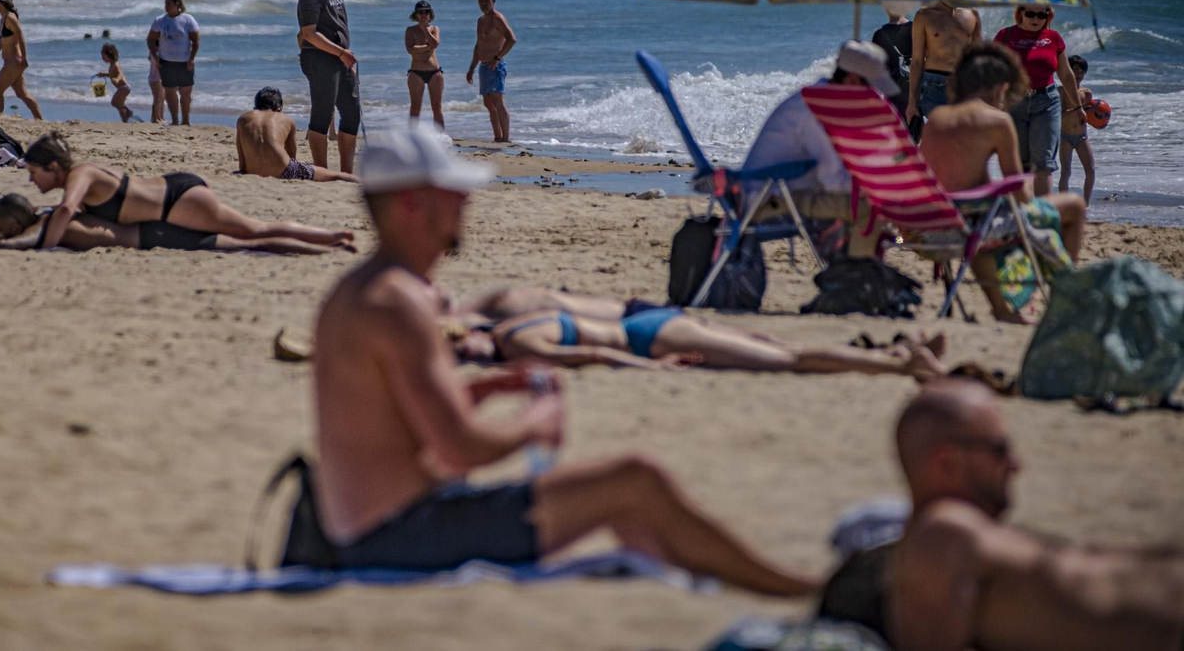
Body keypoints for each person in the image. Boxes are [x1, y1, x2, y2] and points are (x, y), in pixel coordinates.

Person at [296, 124, 817, 594]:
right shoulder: (398, 302)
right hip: (402, 537)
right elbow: (461, 448)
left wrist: (482, 391)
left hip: (373, 527)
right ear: (413, 203)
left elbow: (395, 421)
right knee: (635, 480)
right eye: (453, 193)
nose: (466, 204)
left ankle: (697, 587)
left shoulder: (368, 290)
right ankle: (790, 590)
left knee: (631, 500)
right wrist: (536, 422)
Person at [818, 380, 1184, 650]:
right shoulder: (941, 533)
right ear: (948, 463)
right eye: (1000, 450)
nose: (1015, 465)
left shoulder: (958, 534)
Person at [920, 43, 1086, 323]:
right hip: (973, 228)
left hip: (931, 228)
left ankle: (1002, 310)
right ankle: (1062, 298)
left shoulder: (936, 119)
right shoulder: (997, 121)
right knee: (1074, 206)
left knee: (981, 226)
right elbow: (1020, 194)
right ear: (999, 87)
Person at [21, 132, 355, 253]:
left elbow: (66, 210)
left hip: (177, 200)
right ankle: (330, 239)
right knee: (253, 234)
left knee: (255, 232)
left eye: (34, 173)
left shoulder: (80, 174)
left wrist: (45, 248)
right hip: (175, 192)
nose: (32, 181)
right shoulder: (81, 175)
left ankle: (331, 237)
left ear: (53, 167)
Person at [457, 301, 944, 378]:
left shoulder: (514, 347)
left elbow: (592, 353)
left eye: (464, 352)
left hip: (649, 340)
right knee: (765, 341)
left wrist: (652, 368)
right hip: (653, 319)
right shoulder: (508, 326)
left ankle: (904, 366)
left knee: (786, 360)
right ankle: (892, 352)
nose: (473, 357)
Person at [741, 41, 905, 258]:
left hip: (789, 192)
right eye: (874, 90)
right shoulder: (817, 109)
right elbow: (836, 182)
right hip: (767, 203)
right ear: (853, 81)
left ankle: (857, 266)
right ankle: (861, 276)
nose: (878, 99)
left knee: (870, 203)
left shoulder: (825, 100)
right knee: (867, 208)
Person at [993, 5, 1079, 197]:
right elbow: (992, 71)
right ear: (1021, 13)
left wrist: (1078, 106)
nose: (1036, 18)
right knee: (1020, 163)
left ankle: (1044, 216)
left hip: (1046, 101)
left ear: (1048, 15)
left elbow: (1065, 74)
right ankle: (1022, 213)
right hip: (1013, 102)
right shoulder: (1005, 35)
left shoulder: (1053, 38)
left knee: (1043, 163)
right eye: (1031, 13)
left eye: (1042, 14)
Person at [297, 0, 361, 173]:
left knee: (352, 113)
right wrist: (340, 52)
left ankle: (346, 172)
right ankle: (321, 170)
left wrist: (346, 57)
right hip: (320, 58)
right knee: (323, 115)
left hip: (340, 59)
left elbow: (340, 25)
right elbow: (308, 34)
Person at [235, 87, 359, 183]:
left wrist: (244, 171)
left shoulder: (243, 119)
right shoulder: (286, 120)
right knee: (333, 175)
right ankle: (358, 180)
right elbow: (291, 157)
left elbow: (242, 157)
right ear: (279, 108)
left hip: (252, 171)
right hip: (283, 171)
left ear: (256, 106)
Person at [907, 0, 982, 123]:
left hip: (963, 83)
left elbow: (978, 56)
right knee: (940, 134)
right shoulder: (924, 15)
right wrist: (912, 102)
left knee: (962, 136)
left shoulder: (972, 14)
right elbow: (917, 60)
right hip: (934, 85)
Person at [0, 0, 44, 120]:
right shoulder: (3, 19)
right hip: (9, 61)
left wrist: (24, 59)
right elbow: (2, 42)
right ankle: (39, 119)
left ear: (2, 3)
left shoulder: (10, 17)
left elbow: (21, 36)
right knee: (22, 94)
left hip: (14, 61)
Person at [466, 0, 515, 143]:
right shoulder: (480, 21)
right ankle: (497, 137)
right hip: (483, 66)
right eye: (480, 0)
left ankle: (506, 138)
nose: (483, 3)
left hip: (495, 66)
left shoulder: (497, 18)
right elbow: (479, 45)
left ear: (493, 0)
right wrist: (472, 67)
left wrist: (498, 58)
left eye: (486, 0)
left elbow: (511, 39)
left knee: (498, 102)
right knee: (488, 103)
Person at [146, 0, 199, 126]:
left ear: (177, 4)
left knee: (185, 93)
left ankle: (185, 120)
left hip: (184, 61)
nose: (166, 6)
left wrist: (191, 58)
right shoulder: (160, 20)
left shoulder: (188, 20)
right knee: (170, 93)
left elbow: (195, 40)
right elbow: (150, 39)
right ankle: (175, 120)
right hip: (166, 62)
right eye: (165, 3)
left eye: (169, 3)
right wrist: (155, 56)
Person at [870, 0, 916, 130]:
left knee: (896, 123)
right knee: (914, 121)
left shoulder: (879, 34)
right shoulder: (915, 29)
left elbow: (876, 67)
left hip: (892, 85)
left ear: (886, 9)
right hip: (914, 83)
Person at [1057, 55, 1095, 203]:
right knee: (1066, 172)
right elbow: (1059, 115)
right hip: (1065, 136)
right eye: (1076, 71)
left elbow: (1091, 116)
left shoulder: (1086, 93)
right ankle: (1063, 204)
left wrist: (1099, 119)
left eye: (1082, 72)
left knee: (1090, 171)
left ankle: (1086, 204)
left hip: (1082, 136)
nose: (1079, 75)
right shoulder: (1061, 91)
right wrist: (1077, 109)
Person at [404, 0, 445, 129]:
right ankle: (412, 137)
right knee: (415, 107)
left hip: (434, 72)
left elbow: (436, 43)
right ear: (415, 14)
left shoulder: (434, 29)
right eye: (420, 12)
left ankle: (440, 135)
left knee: (437, 107)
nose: (423, 15)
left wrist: (425, 30)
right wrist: (428, 46)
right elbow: (411, 49)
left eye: (426, 12)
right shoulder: (410, 30)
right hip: (416, 72)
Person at [98, 42, 134, 122]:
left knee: (116, 103)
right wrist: (103, 74)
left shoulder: (115, 64)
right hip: (122, 88)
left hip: (124, 88)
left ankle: (126, 116)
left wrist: (117, 79)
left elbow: (120, 73)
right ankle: (126, 115)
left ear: (109, 55)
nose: (102, 58)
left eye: (103, 56)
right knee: (117, 104)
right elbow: (111, 74)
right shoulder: (111, 65)